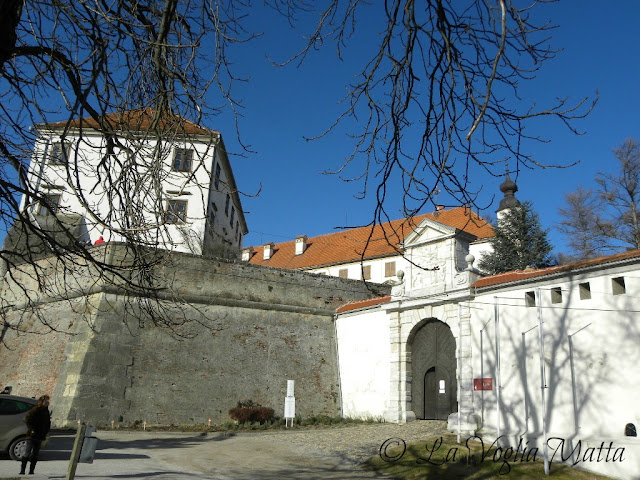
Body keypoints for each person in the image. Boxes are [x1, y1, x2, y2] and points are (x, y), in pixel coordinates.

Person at [20, 395, 51, 475]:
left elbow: (47, 422)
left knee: (35, 454)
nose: (48, 403)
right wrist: (32, 429)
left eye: (48, 401)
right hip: (32, 435)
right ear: (42, 401)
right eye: (46, 401)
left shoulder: (46, 411)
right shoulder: (36, 409)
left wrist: (46, 431)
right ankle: (22, 471)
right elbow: (27, 419)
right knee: (27, 452)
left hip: (40, 434)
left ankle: (31, 471)